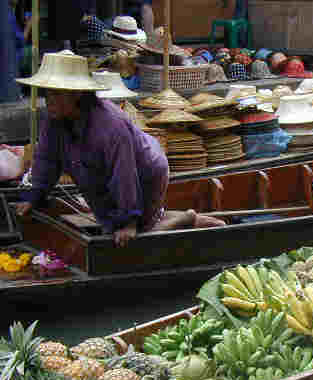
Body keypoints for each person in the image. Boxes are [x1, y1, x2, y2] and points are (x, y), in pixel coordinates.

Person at [13, 50, 225, 248]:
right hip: (101, 174)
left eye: (57, 94)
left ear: (76, 94)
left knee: (135, 236)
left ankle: (186, 218)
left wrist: (129, 221)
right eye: (48, 93)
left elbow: (124, 173)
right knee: (111, 226)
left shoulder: (109, 125)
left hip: (146, 170)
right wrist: (35, 195)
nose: (49, 100)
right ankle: (180, 218)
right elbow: (46, 160)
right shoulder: (54, 120)